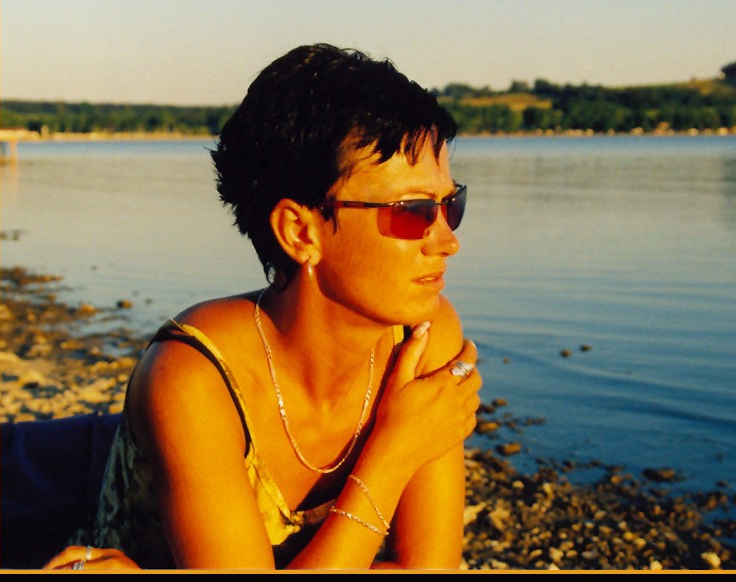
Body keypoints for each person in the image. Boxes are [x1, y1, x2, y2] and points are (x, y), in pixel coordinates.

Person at [43, 43, 481, 570]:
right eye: (413, 211)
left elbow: (431, 568)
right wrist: (394, 452)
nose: (447, 240)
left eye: (450, 205)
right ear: (300, 232)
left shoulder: (424, 336)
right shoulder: (194, 379)